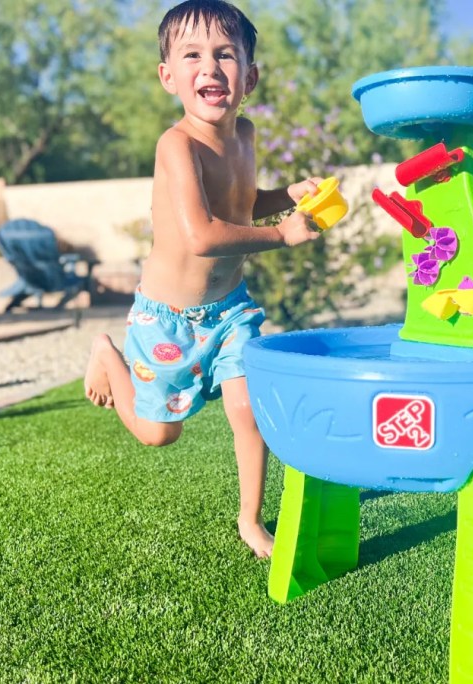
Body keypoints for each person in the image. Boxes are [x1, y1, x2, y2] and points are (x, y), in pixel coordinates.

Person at [84, 0, 327, 559]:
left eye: (226, 54)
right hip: (166, 317)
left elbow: (239, 203)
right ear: (169, 76)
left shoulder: (245, 133)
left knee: (248, 410)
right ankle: (104, 351)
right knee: (157, 434)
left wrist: (283, 197)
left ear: (251, 75)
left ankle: (249, 520)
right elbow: (202, 234)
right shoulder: (177, 145)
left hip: (230, 309)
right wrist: (281, 235)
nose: (210, 67)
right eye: (192, 55)